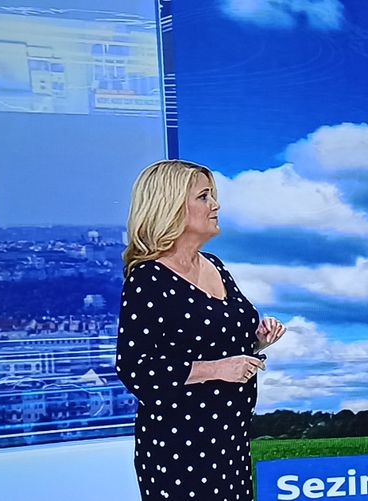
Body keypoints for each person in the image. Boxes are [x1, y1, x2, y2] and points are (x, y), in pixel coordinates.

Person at [116, 159, 286, 501]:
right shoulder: (149, 279)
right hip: (181, 448)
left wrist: (256, 341)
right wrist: (216, 369)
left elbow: (219, 345)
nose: (216, 205)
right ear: (171, 206)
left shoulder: (216, 266)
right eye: (204, 197)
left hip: (231, 442)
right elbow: (135, 368)